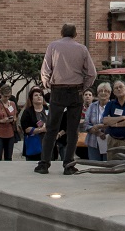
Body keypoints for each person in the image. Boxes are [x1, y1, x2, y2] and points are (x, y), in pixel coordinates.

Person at [34, 23, 97, 175]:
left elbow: (45, 70)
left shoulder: (53, 46)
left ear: (61, 32)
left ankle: (44, 164)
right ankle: (69, 164)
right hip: (76, 91)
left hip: (58, 90)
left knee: (51, 128)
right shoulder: (82, 48)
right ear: (75, 34)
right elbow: (92, 73)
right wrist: (84, 87)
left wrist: (48, 85)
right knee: (72, 129)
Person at [83, 82, 112, 161]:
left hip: (109, 141)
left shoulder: (113, 106)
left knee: (107, 166)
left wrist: (104, 130)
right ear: (97, 93)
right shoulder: (92, 106)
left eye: (106, 91)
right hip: (93, 141)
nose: (103, 93)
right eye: (100, 91)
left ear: (109, 93)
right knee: (94, 166)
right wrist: (97, 132)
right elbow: (86, 124)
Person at [20, 86, 49, 160]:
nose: (39, 97)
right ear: (31, 99)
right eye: (36, 95)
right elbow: (26, 129)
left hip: (48, 143)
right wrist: (41, 130)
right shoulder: (28, 112)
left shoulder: (48, 109)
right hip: (34, 144)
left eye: (40, 95)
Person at [0, 85, 17, 161]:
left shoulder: (12, 104)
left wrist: (12, 119)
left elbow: (15, 116)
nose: (7, 98)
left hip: (10, 133)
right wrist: (0, 121)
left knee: (8, 157)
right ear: (1, 95)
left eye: (8, 96)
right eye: (5, 96)